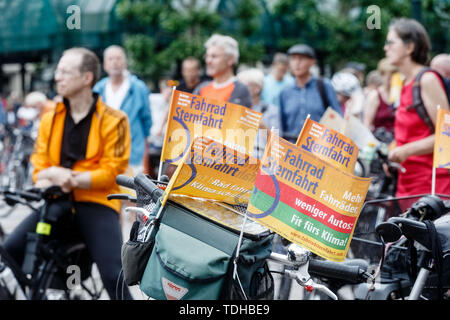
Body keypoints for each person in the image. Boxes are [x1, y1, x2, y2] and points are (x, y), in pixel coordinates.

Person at [2, 47, 133, 300]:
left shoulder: (114, 120)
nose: (57, 77)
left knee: (112, 275)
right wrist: (53, 173)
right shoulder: (50, 116)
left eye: (65, 72)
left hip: (96, 203)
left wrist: (69, 178)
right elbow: (38, 166)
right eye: (58, 71)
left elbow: (111, 172)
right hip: (56, 200)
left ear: (86, 78)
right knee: (7, 253)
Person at [384, 18, 450, 197]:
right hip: (407, 184)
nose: (385, 48)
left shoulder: (427, 79)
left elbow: (447, 136)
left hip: (432, 187)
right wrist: (395, 149)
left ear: (409, 47)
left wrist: (405, 150)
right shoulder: (406, 82)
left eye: (390, 42)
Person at [94, 45, 152, 175]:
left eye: (118, 58)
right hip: (105, 155)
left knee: (132, 192)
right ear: (104, 65)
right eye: (110, 59)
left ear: (125, 63)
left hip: (133, 154)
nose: (115, 62)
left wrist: (144, 153)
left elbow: (147, 122)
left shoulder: (138, 88)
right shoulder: (98, 89)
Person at [279, 44, 341, 143]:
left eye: (301, 59)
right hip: (291, 148)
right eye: (293, 59)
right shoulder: (285, 92)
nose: (297, 63)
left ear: (312, 62)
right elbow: (281, 124)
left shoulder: (324, 86)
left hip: (319, 147)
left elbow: (337, 117)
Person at [193, 34, 252, 108]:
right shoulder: (201, 88)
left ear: (230, 59)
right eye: (207, 56)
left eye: (214, 56)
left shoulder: (241, 90)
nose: (208, 61)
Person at [237, 68, 281, 159]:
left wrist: (261, 125)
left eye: (243, 86)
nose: (239, 90)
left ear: (257, 89)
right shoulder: (236, 108)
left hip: (260, 161)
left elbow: (277, 143)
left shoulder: (271, 110)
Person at [363, 59, 397, 134]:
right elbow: (367, 124)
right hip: (380, 140)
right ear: (382, 75)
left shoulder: (399, 93)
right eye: (389, 76)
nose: (392, 79)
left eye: (394, 75)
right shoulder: (375, 95)